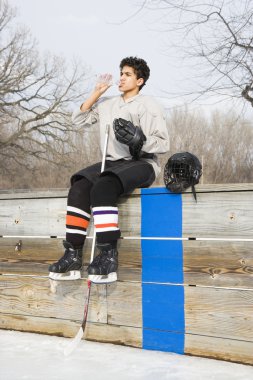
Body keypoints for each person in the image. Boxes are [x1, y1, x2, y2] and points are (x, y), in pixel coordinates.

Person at [48, 56, 170, 283]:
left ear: (140, 80)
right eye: (121, 73)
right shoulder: (108, 104)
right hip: (112, 162)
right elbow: (78, 120)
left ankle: (108, 257)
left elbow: (163, 143)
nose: (121, 78)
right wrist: (97, 92)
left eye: (128, 75)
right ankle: (73, 255)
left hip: (142, 163)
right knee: (80, 186)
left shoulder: (148, 105)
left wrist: (139, 140)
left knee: (103, 186)